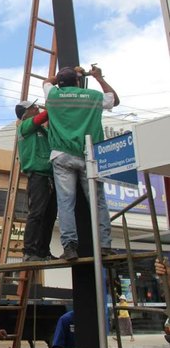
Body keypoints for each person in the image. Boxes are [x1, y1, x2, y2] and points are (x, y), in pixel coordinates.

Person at [43, 65, 120, 260]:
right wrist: (97, 77)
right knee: (98, 202)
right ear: (78, 81)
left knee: (66, 203)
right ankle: (104, 244)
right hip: (89, 155)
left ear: (60, 82)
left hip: (62, 156)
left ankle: (69, 247)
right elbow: (114, 100)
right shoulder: (92, 96)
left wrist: (66, 73)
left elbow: (46, 81)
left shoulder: (53, 96)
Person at [15, 100, 57, 261]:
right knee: (37, 213)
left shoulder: (41, 130)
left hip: (50, 176)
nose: (37, 108)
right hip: (38, 175)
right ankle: (29, 251)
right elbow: (44, 116)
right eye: (33, 107)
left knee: (50, 215)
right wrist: (55, 104)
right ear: (26, 113)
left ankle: (43, 251)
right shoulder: (24, 125)